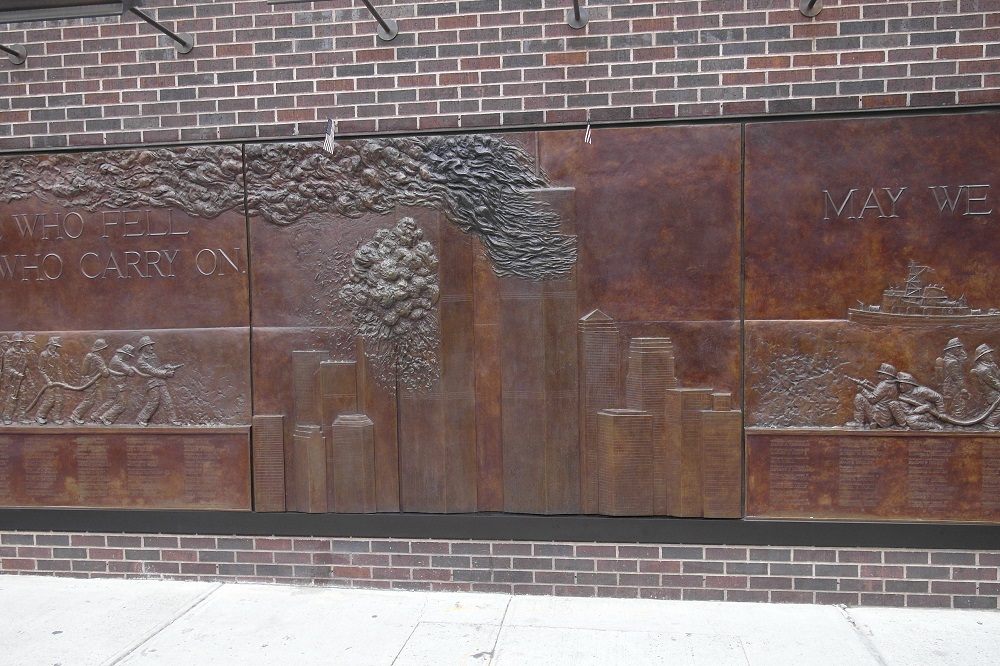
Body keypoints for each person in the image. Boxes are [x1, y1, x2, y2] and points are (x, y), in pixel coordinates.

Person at [134, 336, 179, 426]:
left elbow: (157, 368)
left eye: (151, 345)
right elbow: (152, 371)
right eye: (149, 346)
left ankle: (173, 420)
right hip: (151, 383)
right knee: (154, 401)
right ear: (144, 348)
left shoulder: (153, 356)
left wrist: (166, 367)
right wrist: (166, 373)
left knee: (167, 400)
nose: (152, 347)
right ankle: (141, 419)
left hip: (160, 381)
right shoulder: (141, 361)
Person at [69, 339, 111, 425]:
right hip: (92, 383)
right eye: (104, 349)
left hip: (87, 381)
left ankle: (96, 417)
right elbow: (105, 373)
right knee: (89, 401)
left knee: (99, 400)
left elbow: (83, 371)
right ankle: (75, 415)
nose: (105, 351)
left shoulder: (89, 356)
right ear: (100, 349)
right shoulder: (98, 359)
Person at [848, 363, 898, 429]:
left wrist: (862, 389)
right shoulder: (893, 385)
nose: (879, 377)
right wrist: (870, 384)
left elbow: (872, 399)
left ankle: (859, 423)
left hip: (879, 416)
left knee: (859, 397)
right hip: (887, 418)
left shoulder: (884, 384)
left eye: (881, 374)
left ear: (887, 376)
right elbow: (880, 393)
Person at [98, 344, 136, 425]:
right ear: (125, 354)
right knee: (122, 405)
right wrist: (131, 369)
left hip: (114, 385)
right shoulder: (118, 362)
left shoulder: (116, 358)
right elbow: (131, 373)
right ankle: (105, 417)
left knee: (111, 401)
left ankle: (96, 415)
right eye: (129, 356)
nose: (130, 358)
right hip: (118, 386)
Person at [936, 337, 970, 418]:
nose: (959, 350)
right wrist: (962, 388)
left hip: (949, 386)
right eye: (957, 348)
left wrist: (961, 351)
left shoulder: (949, 358)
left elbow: (964, 359)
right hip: (953, 387)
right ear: (951, 349)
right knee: (959, 405)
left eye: (959, 348)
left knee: (953, 405)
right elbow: (956, 377)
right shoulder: (952, 362)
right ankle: (959, 419)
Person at [35, 336, 66, 425]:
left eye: (56, 346)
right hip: (46, 382)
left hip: (56, 382)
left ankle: (56, 418)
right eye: (54, 346)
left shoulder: (57, 356)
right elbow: (41, 370)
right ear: (49, 345)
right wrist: (48, 381)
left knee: (59, 399)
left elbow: (59, 370)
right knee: (50, 399)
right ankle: (39, 416)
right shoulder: (43, 355)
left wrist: (62, 381)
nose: (55, 348)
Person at [970, 344, 1000, 429]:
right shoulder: (983, 369)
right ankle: (990, 422)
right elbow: (994, 383)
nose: (991, 356)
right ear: (983, 357)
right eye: (988, 354)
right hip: (991, 393)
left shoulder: (991, 365)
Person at [1, 334, 29, 425]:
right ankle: (7, 417)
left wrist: (29, 380)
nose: (19, 344)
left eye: (20, 342)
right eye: (17, 342)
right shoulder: (9, 353)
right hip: (11, 380)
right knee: (11, 398)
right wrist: (17, 374)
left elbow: (25, 367)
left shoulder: (23, 353)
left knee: (23, 398)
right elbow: (7, 367)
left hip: (21, 379)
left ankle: (21, 417)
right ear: (13, 343)